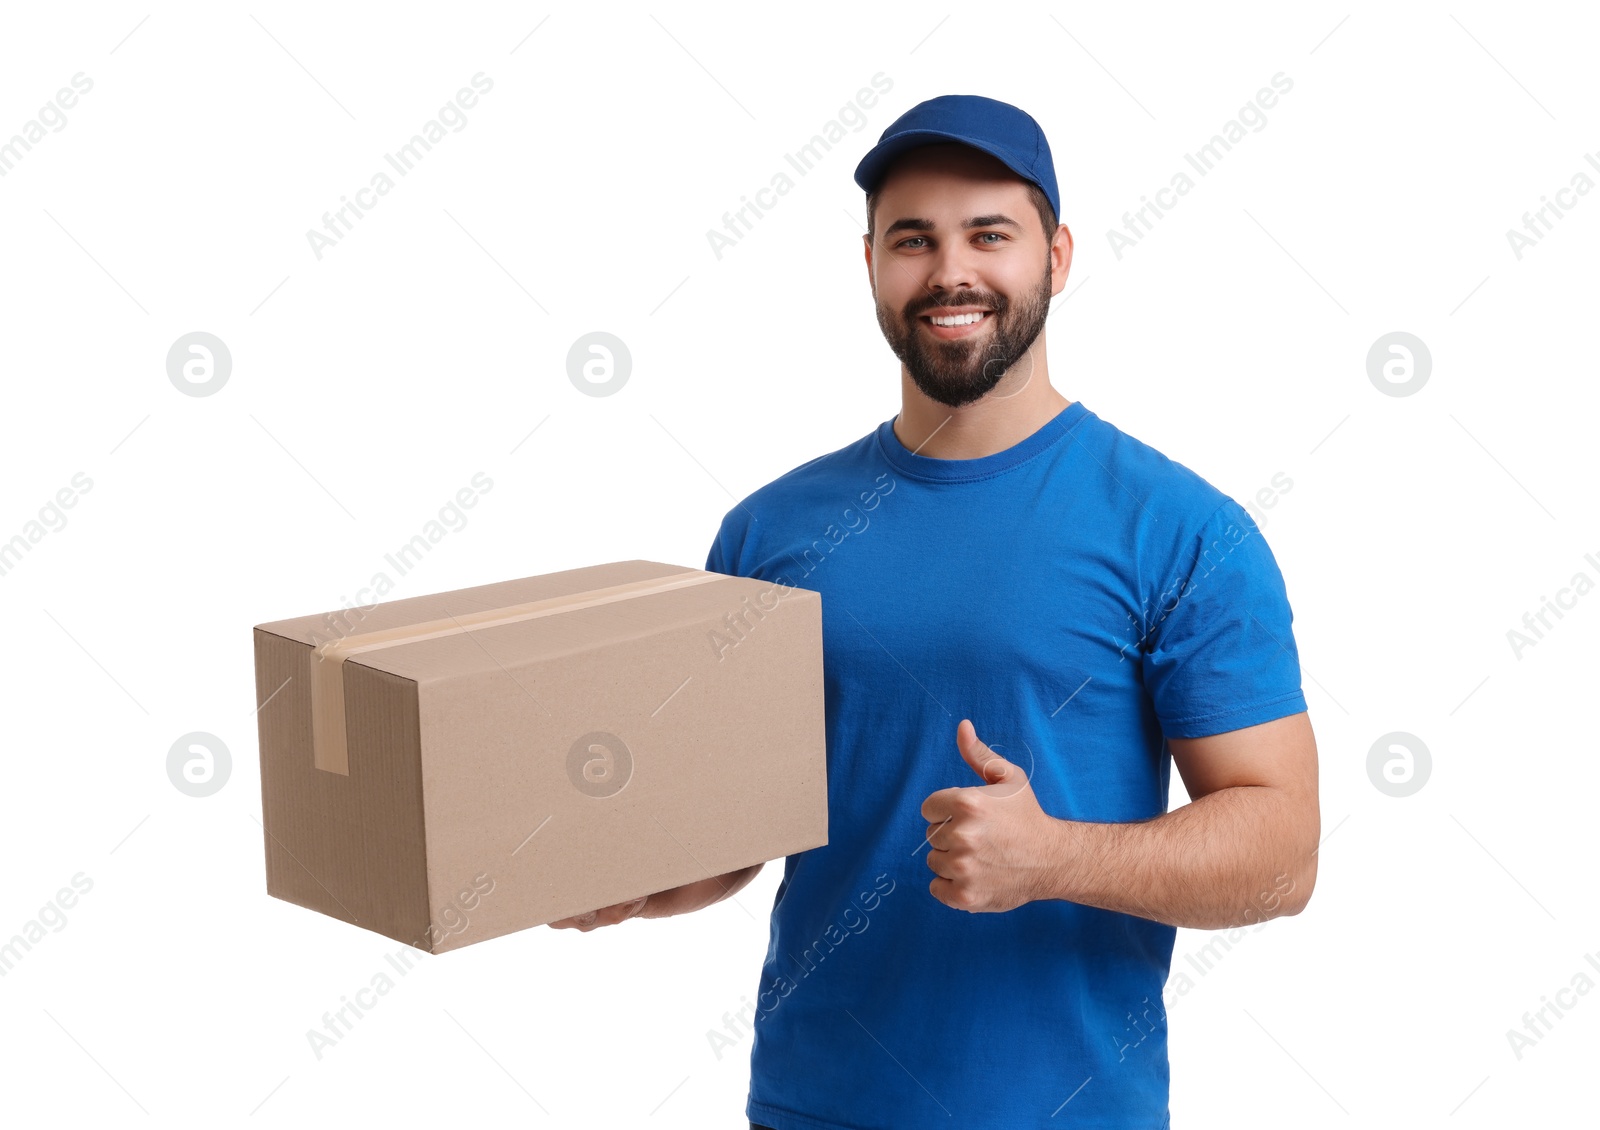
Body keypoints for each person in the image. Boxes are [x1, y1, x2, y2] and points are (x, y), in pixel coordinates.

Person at [550, 93, 1320, 1130]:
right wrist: (637, 879)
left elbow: (1283, 847)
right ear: (870, 262)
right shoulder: (769, 532)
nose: (950, 270)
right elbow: (735, 830)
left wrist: (1058, 856)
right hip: (809, 1106)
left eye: (988, 234)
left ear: (1056, 253)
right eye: (914, 239)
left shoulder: (1179, 530)